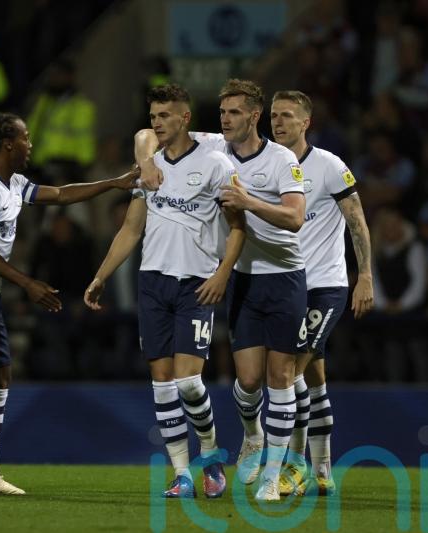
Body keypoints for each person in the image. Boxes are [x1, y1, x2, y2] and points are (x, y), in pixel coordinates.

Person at [0, 113, 139, 495]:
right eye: (25, 138)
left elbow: (60, 194)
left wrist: (113, 184)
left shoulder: (15, 184)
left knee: (0, 378)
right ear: (8, 143)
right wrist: (28, 283)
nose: (30, 145)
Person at [138, 78, 306, 501]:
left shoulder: (282, 159)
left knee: (280, 376)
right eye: (223, 112)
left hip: (284, 275)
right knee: (248, 382)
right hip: (243, 279)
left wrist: (250, 203)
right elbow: (147, 133)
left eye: (234, 113)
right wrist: (144, 161)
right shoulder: (213, 147)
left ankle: (272, 475)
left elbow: (294, 218)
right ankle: (253, 432)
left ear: (253, 116)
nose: (225, 120)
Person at [87, 85, 246, 499]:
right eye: (153, 115)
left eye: (165, 116)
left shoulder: (215, 163)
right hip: (153, 281)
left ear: (185, 118)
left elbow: (238, 227)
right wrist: (101, 275)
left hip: (196, 283)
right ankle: (181, 474)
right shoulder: (150, 166)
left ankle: (211, 457)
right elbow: (131, 228)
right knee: (161, 382)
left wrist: (223, 274)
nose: (157, 123)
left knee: (189, 383)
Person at [268, 91, 374, 497]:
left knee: (288, 372)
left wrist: (364, 275)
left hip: (326, 285)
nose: (278, 123)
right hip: (285, 285)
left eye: (288, 116)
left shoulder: (328, 165)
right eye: (274, 115)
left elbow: (358, 222)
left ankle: (293, 467)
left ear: (305, 122)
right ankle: (324, 467)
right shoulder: (268, 166)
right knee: (314, 379)